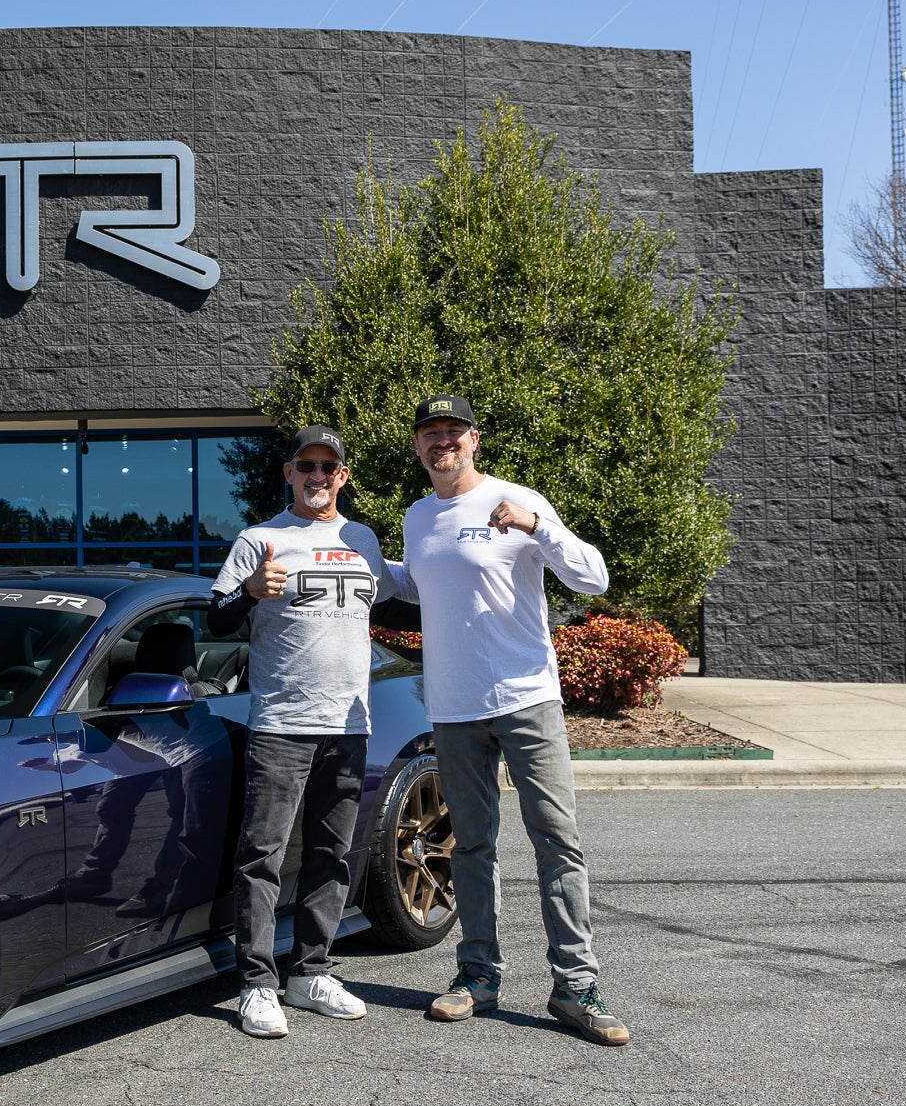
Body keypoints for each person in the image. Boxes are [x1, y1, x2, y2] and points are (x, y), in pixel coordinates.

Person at [385, 394, 629, 1046]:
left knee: (557, 839)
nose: (443, 442)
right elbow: (418, 584)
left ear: (475, 440)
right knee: (471, 845)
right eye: (431, 433)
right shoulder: (417, 516)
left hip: (526, 699)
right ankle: (478, 976)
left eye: (454, 431)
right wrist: (364, 565)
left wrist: (537, 528)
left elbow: (595, 578)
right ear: (418, 446)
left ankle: (575, 984)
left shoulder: (520, 500)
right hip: (455, 706)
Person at [209, 424, 391, 1038]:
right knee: (262, 854)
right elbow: (216, 618)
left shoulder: (362, 539)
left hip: (351, 723)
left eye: (328, 467)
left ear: (343, 477)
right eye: (306, 466)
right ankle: (256, 983)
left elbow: (408, 599)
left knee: (331, 853)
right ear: (289, 473)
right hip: (283, 724)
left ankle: (311, 971)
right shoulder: (258, 539)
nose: (318, 476)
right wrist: (252, 592)